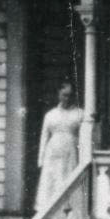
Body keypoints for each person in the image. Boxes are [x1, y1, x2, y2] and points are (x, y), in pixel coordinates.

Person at [35, 82, 85, 211]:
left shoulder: (79, 113)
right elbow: (44, 138)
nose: (67, 98)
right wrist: (41, 160)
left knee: (68, 180)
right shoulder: (50, 115)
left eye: (70, 95)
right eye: (64, 95)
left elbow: (85, 138)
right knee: (52, 182)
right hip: (53, 156)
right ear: (58, 94)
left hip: (71, 154)